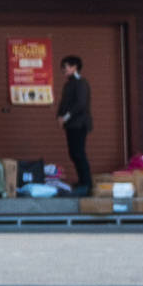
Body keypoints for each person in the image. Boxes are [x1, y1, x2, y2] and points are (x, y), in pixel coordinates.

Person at [57, 53, 94, 190]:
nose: (63, 70)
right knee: (73, 153)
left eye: (65, 67)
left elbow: (80, 104)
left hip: (79, 124)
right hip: (71, 125)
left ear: (75, 67)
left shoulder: (81, 83)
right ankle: (82, 181)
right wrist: (59, 116)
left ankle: (86, 183)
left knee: (78, 153)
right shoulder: (68, 85)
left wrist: (65, 117)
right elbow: (64, 103)